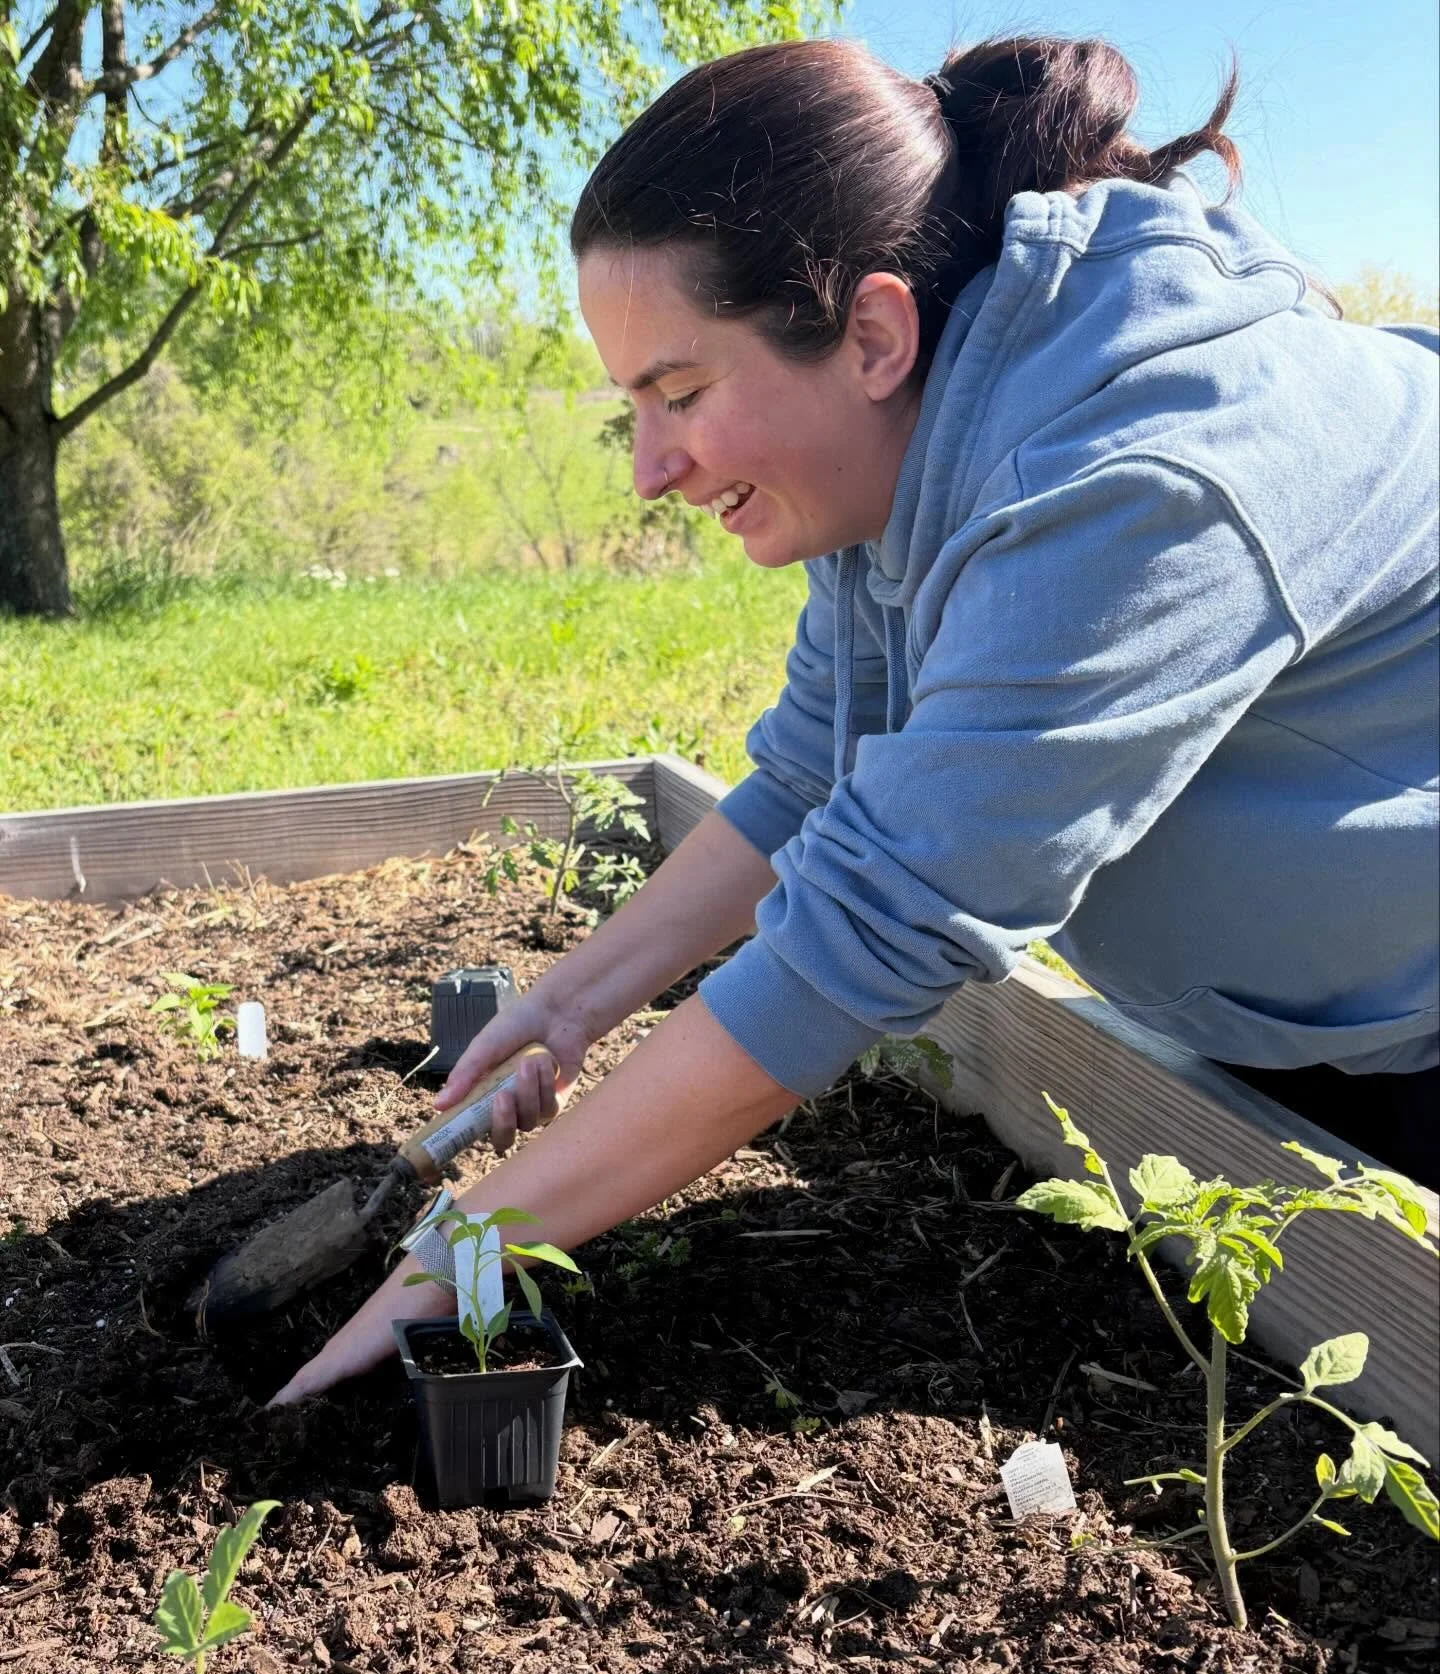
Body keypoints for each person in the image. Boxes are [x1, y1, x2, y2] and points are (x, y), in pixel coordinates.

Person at [270, 34, 1438, 1407]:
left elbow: (868, 928)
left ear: (873, 332)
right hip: (1296, 1035)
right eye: (631, 409)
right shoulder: (892, 459)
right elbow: (820, 768)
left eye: (683, 392)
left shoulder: (1135, 481)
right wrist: (566, 1007)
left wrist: (455, 1264)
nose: (650, 470)